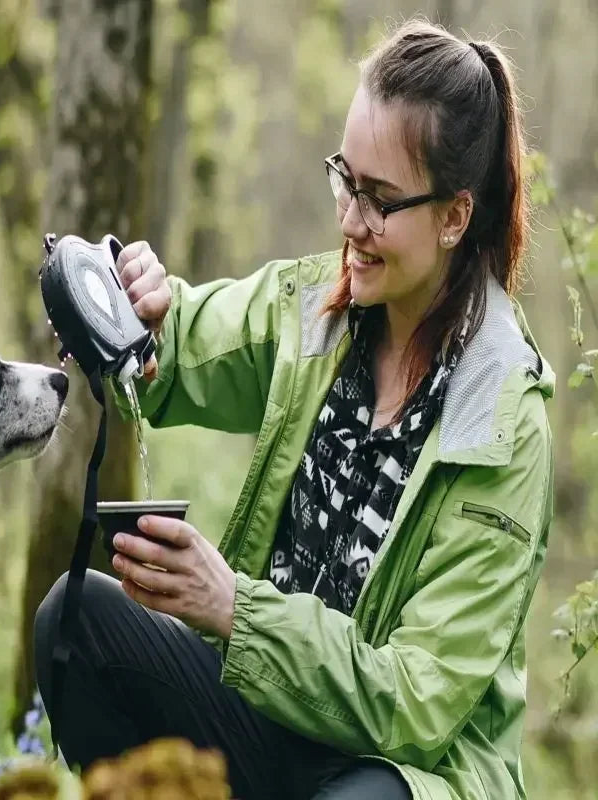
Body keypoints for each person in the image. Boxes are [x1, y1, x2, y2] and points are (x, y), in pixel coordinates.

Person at [33, 18, 554, 800]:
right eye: (346, 179)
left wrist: (235, 609)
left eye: (380, 201)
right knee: (73, 623)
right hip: (263, 713)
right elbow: (182, 346)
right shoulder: (320, 305)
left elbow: (416, 702)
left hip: (407, 771)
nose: (350, 223)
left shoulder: (504, 422)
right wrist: (128, 310)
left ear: (454, 217)